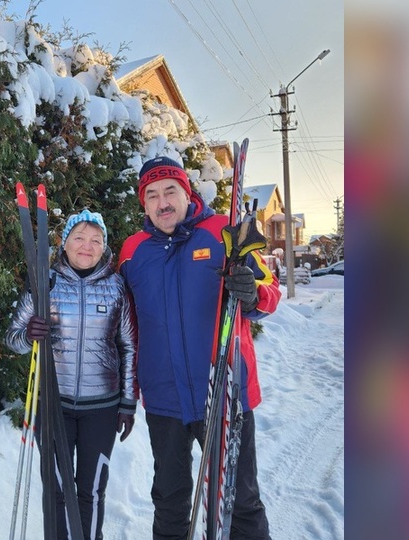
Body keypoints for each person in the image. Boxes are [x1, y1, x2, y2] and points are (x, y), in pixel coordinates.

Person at [117, 156, 282, 540]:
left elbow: (270, 290)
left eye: (170, 191)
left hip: (225, 392)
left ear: (186, 191)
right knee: (171, 502)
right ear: (143, 204)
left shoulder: (225, 232)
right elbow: (122, 322)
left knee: (239, 501)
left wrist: (252, 292)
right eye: (152, 195)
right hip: (164, 401)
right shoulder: (132, 252)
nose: (163, 203)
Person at [5, 209, 137, 540]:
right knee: (57, 490)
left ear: (104, 246)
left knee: (91, 491)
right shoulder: (44, 284)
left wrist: (128, 403)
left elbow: (129, 347)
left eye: (96, 240)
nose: (87, 246)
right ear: (64, 244)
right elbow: (13, 340)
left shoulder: (117, 288)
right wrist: (29, 334)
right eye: (79, 238)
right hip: (53, 405)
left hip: (102, 408)